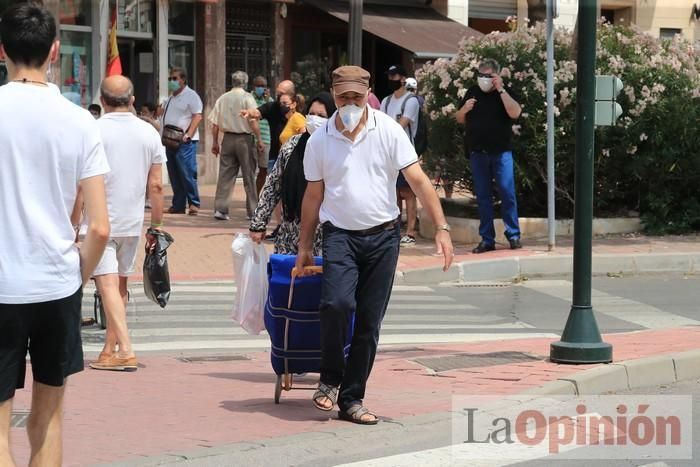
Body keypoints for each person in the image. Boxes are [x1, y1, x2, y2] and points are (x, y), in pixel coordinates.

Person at [295, 66, 454, 425]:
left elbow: (418, 180)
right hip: (340, 236)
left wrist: (441, 228)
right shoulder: (319, 141)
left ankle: (352, 399)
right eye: (342, 97)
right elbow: (312, 196)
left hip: (383, 237)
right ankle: (330, 379)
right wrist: (305, 245)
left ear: (367, 95)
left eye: (356, 97)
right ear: (333, 95)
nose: (349, 104)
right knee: (335, 304)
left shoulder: (389, 131)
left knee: (369, 321)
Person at [0, 3, 110, 464]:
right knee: (49, 421)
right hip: (56, 284)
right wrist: (76, 277)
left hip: (2, 287)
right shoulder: (80, 121)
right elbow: (99, 228)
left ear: (2, 50)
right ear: (56, 51)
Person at [74, 75, 165, 371]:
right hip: (132, 220)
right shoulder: (150, 133)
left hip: (100, 221)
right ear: (133, 99)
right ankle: (108, 350)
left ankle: (125, 349)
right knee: (119, 286)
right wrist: (156, 226)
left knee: (107, 287)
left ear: (102, 100)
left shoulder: (92, 130)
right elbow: (157, 187)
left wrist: (74, 222)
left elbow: (79, 185)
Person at [249, 92, 336, 254]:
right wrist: (258, 224)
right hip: (290, 234)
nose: (315, 119)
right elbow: (273, 185)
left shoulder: (338, 148)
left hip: (327, 237)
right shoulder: (293, 145)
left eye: (321, 115)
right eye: (311, 114)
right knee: (288, 278)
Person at [454, 58, 522, 253]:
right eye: (481, 75)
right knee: (483, 197)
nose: (484, 79)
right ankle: (487, 239)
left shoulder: (505, 91)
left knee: (507, 193)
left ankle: (513, 235)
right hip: (478, 153)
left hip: (501, 152)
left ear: (496, 76)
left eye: (488, 76)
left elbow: (515, 112)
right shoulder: (472, 92)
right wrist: (465, 109)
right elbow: (459, 118)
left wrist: (501, 90)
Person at [241, 79, 296, 239]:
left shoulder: (300, 115)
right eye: (277, 94)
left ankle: (291, 227)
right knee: (275, 194)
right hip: (275, 158)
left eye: (282, 94)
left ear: (292, 100)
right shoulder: (272, 107)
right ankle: (280, 226)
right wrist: (248, 113)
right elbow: (258, 112)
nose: (279, 98)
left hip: (295, 161)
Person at [208, 71, 262, 221]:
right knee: (249, 176)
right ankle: (252, 211)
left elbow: (214, 123)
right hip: (244, 139)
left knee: (225, 175)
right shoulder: (247, 97)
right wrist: (259, 139)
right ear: (245, 82)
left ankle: (220, 209)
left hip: (228, 139)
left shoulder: (223, 98)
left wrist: (214, 142)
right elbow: (252, 120)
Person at [381, 64, 421, 246]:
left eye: (394, 76)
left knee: (408, 192)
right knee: (394, 192)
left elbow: (401, 125)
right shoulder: (386, 101)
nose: (391, 80)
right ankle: (396, 228)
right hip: (387, 154)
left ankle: (411, 231)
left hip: (405, 153)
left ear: (404, 78)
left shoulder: (410, 101)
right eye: (389, 76)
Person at [161, 67, 203, 216]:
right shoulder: (170, 98)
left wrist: (189, 134)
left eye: (174, 78)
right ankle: (178, 205)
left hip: (184, 142)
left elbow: (197, 116)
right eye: (170, 79)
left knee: (187, 173)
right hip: (169, 140)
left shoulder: (191, 96)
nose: (172, 81)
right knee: (174, 174)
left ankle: (194, 204)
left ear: (183, 80)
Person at [251, 75, 273, 194]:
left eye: (263, 86)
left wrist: (267, 99)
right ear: (254, 87)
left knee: (263, 169)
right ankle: (251, 198)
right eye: (258, 86)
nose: (261, 88)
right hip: (251, 139)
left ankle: (257, 194)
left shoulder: (269, 101)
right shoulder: (249, 98)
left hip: (266, 140)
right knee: (250, 170)